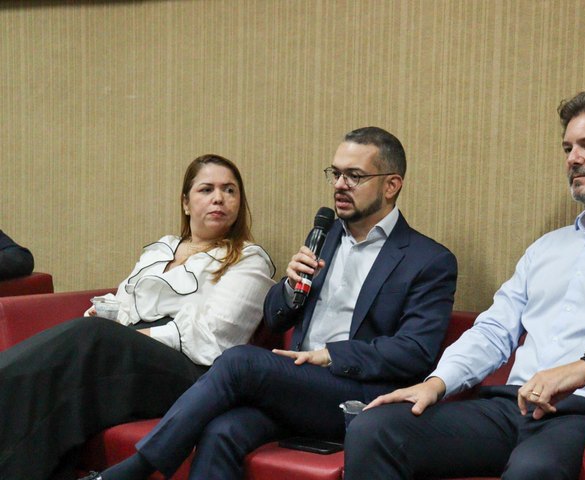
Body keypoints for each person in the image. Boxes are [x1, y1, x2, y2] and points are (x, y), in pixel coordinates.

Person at [343, 91, 585, 480]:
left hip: (582, 414)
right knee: (374, 429)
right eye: (568, 148)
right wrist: (437, 384)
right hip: (510, 406)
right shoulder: (547, 248)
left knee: (533, 471)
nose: (573, 158)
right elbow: (494, 330)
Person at [84, 126, 458, 480]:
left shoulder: (428, 260)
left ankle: (134, 469)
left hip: (359, 394)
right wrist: (290, 288)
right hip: (299, 386)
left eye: (354, 176)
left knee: (239, 361)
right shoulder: (325, 236)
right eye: (335, 173)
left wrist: (330, 355)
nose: (339, 185)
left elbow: (415, 351)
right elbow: (275, 318)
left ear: (391, 185)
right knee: (221, 430)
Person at [0, 154, 276, 480]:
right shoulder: (162, 248)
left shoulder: (248, 259)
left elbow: (215, 337)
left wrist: (130, 336)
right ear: (186, 203)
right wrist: (106, 313)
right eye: (206, 189)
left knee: (92, 337)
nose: (219, 198)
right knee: (52, 382)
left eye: (229, 190)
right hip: (129, 355)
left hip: (193, 372)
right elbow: (124, 300)